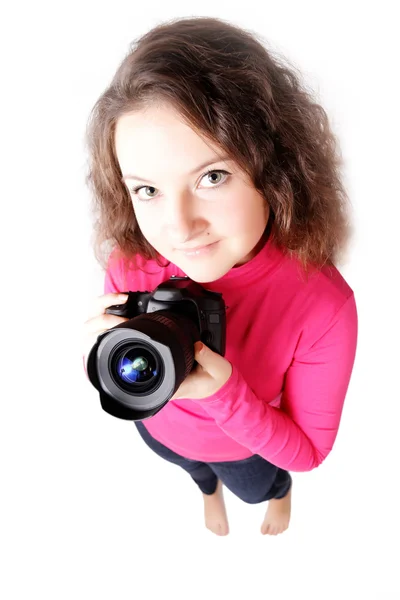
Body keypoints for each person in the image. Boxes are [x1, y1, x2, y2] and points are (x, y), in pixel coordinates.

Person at [82, 16, 358, 537]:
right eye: (147, 190)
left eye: (212, 177)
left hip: (247, 447)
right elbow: (123, 360)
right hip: (157, 423)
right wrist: (100, 352)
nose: (179, 227)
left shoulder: (321, 303)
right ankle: (205, 488)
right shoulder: (130, 257)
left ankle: (276, 497)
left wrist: (224, 394)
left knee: (259, 486)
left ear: (276, 173)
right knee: (186, 464)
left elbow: (308, 451)